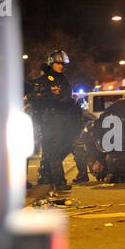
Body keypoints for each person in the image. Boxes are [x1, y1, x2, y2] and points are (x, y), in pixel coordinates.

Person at [34, 50, 80, 191]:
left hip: (64, 118)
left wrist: (62, 98)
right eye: (58, 63)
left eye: (62, 64)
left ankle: (47, 177)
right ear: (51, 63)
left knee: (66, 146)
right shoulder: (44, 80)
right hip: (50, 120)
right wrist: (54, 97)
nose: (61, 66)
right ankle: (59, 181)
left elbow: (67, 95)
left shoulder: (63, 78)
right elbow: (39, 98)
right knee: (53, 149)